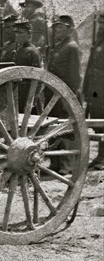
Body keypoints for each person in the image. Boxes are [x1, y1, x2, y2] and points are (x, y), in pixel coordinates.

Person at [48, 15, 81, 175]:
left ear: (69, 29)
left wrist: (69, 97)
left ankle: (67, 165)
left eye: (61, 27)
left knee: (67, 130)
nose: (57, 31)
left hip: (65, 95)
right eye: (56, 27)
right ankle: (55, 162)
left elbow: (75, 77)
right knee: (54, 129)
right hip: (53, 94)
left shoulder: (72, 47)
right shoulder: (58, 47)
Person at [84, 13, 104, 170]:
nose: (101, 27)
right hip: (96, 91)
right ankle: (100, 155)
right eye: (100, 23)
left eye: (103, 24)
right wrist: (86, 90)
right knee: (98, 124)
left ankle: (103, 157)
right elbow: (90, 69)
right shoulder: (97, 42)